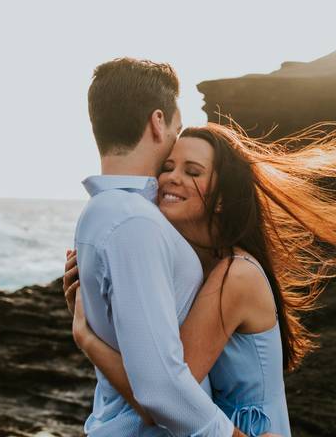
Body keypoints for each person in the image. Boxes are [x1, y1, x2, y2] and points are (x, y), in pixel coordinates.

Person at [65, 105, 336, 436]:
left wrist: (86, 336)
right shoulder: (201, 267)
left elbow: (160, 399)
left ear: (222, 198)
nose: (171, 178)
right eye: (167, 167)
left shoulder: (233, 277)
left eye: (192, 172)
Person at [72, 57, 268, 437]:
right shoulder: (134, 221)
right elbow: (160, 386)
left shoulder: (105, 213)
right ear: (157, 122)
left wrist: (86, 336)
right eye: (178, 130)